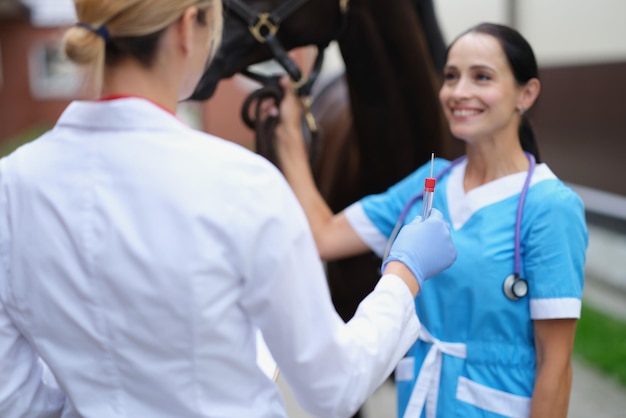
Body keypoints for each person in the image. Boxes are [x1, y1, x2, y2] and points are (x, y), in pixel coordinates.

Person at [0, 1, 458, 417]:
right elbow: (333, 387)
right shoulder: (243, 184)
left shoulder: (12, 185)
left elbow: (15, 397)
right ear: (186, 28)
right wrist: (403, 274)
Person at [269, 23, 588, 418]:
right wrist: (288, 138)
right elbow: (323, 235)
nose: (458, 92)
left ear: (527, 93)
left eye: (481, 77)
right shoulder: (430, 183)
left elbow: (555, 369)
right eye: (450, 76)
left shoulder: (550, 206)